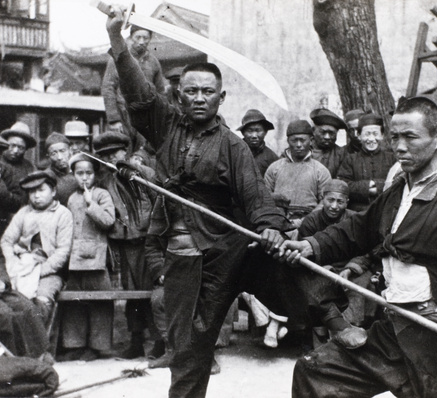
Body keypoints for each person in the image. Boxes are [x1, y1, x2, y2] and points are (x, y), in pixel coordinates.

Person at [278, 96, 437, 398]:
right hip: (393, 328)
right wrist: (311, 245)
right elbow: (358, 230)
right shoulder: (399, 190)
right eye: (395, 137)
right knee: (315, 371)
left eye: (410, 137)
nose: (400, 147)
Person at [106, 8, 294, 397]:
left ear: (221, 97)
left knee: (198, 341)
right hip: (178, 259)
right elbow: (138, 93)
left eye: (207, 92)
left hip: (219, 255)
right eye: (190, 91)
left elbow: (254, 192)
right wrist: (117, 42)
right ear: (179, 94)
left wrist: (271, 227)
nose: (198, 98)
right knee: (183, 346)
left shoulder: (232, 145)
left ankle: (327, 322)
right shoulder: (166, 125)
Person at [92, 130, 160, 360]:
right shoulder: (104, 179)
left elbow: (155, 194)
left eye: (115, 152)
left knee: (150, 291)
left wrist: (136, 169)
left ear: (126, 151)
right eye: (105, 154)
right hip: (121, 243)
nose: (111, 158)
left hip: (146, 241)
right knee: (131, 293)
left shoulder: (140, 174)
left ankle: (159, 339)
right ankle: (136, 340)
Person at [0, 171, 49, 361]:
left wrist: (0, 279)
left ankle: (36, 359)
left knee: (24, 306)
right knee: (1, 315)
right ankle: (8, 365)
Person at [298, 179, 377, 328]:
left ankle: (353, 328)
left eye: (340, 202)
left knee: (360, 286)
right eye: (330, 200)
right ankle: (327, 330)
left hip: (351, 268)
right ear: (322, 199)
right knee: (318, 287)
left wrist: (349, 269)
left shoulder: (355, 219)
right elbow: (306, 255)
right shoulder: (311, 221)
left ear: (347, 202)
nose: (334, 206)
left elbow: (366, 250)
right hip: (320, 269)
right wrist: (326, 270)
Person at [60, 153, 115, 361]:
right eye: (79, 173)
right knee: (74, 302)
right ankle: (75, 344)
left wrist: (92, 204)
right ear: (73, 175)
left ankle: (97, 346)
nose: (84, 178)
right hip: (74, 258)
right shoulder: (72, 198)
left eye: (89, 173)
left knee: (100, 302)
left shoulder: (101, 195)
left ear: (95, 174)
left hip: (96, 258)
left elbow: (109, 221)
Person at [1, 170, 73, 322]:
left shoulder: (62, 214)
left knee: (41, 301)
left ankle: (39, 342)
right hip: (22, 268)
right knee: (12, 301)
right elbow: (7, 240)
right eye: (32, 192)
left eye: (41, 190)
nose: (36, 196)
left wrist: (41, 270)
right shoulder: (24, 213)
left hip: (50, 272)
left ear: (53, 191)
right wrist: (12, 262)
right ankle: (16, 342)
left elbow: (63, 251)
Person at [102, 24, 165, 153]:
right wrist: (114, 119)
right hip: (123, 115)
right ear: (131, 38)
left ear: (150, 39)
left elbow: (161, 93)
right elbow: (108, 87)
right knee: (122, 152)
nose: (142, 42)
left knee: (144, 154)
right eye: (138, 37)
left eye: (145, 38)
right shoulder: (119, 58)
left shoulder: (153, 62)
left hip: (146, 117)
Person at [264, 120, 331, 228]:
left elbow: (325, 202)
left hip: (310, 224)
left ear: (311, 140)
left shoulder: (320, 170)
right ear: (288, 141)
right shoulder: (274, 168)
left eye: (303, 140)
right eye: (294, 140)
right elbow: (266, 198)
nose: (299, 145)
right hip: (278, 223)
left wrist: (304, 222)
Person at [337, 113, 396, 211]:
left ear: (382, 135)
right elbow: (343, 184)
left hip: (386, 210)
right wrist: (368, 186)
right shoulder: (350, 159)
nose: (371, 139)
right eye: (367, 134)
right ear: (359, 136)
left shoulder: (392, 158)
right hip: (356, 213)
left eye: (375, 134)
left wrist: (376, 186)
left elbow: (399, 183)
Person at [237, 109, 279, 177]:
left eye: (258, 130)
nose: (254, 135)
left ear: (265, 132)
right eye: (250, 131)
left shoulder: (272, 158)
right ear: (243, 132)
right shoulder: (234, 153)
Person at [44, 132, 79, 206]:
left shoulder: (79, 170)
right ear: (48, 156)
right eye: (54, 153)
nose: (59, 157)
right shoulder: (47, 177)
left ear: (70, 150)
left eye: (62, 151)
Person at [309, 108, 347, 178]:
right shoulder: (301, 150)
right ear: (313, 131)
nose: (327, 137)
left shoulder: (341, 154)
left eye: (331, 133)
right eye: (323, 132)